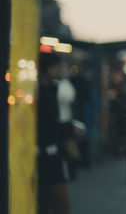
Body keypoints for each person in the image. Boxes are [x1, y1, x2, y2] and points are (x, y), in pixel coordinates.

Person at [37, 52, 72, 214]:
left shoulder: (52, 88)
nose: (59, 70)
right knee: (60, 203)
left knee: (47, 203)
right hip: (44, 154)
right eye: (56, 67)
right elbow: (46, 124)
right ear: (46, 68)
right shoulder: (40, 92)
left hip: (51, 153)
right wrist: (69, 129)